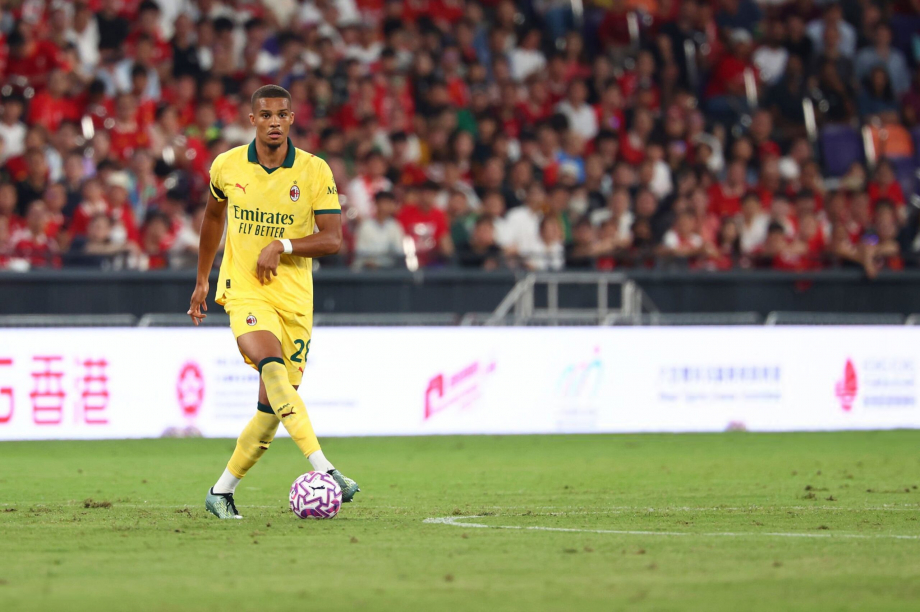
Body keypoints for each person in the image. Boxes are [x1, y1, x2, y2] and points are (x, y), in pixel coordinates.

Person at [188, 85, 359, 520]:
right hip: (244, 290)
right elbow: (212, 217)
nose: (274, 122)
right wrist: (203, 279)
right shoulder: (227, 165)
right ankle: (327, 469)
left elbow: (332, 239)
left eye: (282, 114)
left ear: (292, 119)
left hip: (294, 301)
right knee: (271, 365)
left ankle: (221, 491)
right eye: (265, 115)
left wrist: (283, 244)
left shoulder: (314, 170)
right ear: (253, 120)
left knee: (270, 410)